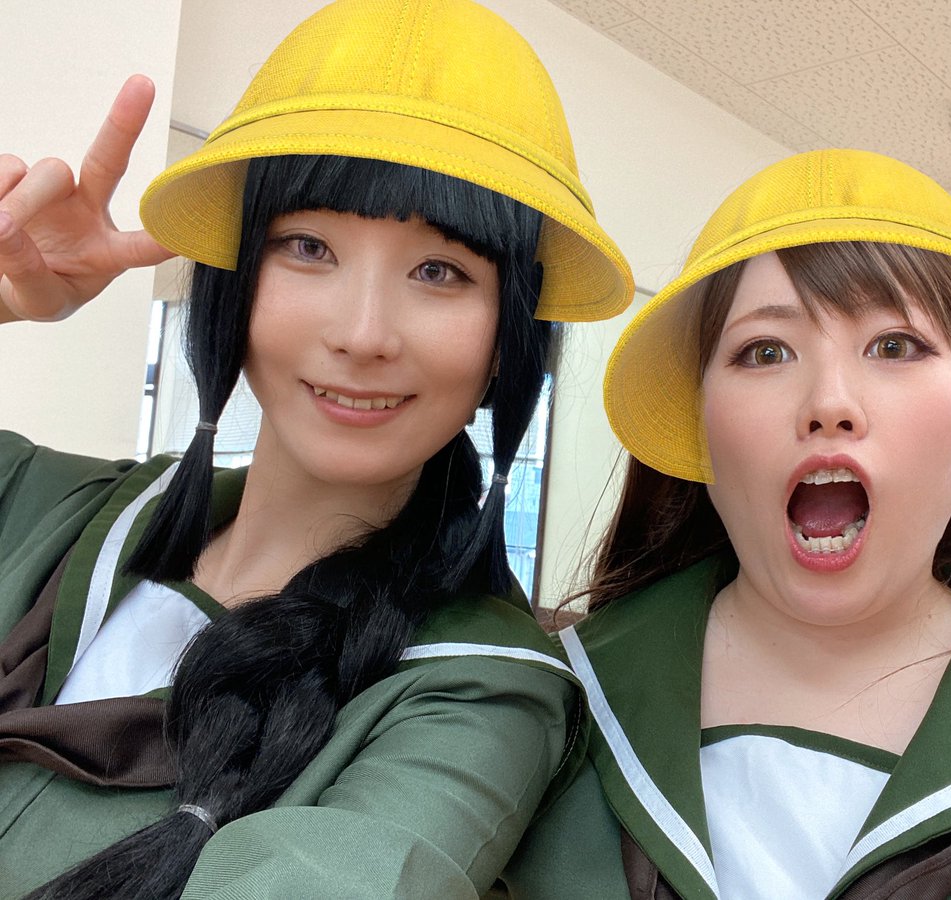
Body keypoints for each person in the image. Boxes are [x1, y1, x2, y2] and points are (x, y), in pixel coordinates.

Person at [0, 0, 632, 897]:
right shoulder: (35, 502)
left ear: (508, 340)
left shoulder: (478, 693)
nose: (363, 333)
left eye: (440, 271)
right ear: (234, 283)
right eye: (308, 246)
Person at [497, 149, 951, 899]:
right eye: (766, 351)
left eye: (895, 346)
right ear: (701, 430)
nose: (829, 402)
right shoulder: (547, 710)